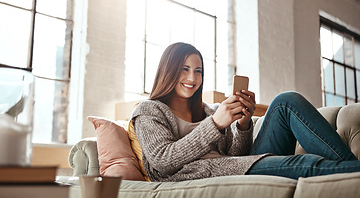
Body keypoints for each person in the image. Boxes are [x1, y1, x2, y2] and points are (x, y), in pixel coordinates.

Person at [131, 42, 360, 182]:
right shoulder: (148, 110)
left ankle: (351, 171)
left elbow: (237, 154)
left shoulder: (209, 110)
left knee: (285, 101)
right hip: (205, 173)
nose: (193, 78)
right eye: (184, 69)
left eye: (198, 71)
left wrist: (243, 124)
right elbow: (162, 160)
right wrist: (215, 125)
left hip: (235, 165)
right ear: (168, 70)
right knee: (306, 163)